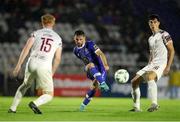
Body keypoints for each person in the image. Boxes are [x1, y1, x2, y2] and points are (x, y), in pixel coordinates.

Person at [8, 14, 62, 114]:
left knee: (25, 85)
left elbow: (26, 49)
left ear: (42, 23)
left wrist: (18, 65)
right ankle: (35, 103)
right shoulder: (57, 38)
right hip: (45, 65)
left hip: (32, 62)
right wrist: (52, 72)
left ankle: (13, 108)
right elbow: (57, 58)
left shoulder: (36, 33)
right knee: (49, 95)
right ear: (53, 23)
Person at [130, 14, 175, 112]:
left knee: (150, 77)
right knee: (134, 82)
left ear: (158, 23)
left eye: (155, 22)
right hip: (152, 64)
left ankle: (154, 104)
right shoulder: (150, 38)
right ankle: (136, 107)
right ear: (149, 24)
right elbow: (151, 53)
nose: (153, 24)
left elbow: (172, 50)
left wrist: (168, 67)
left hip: (161, 63)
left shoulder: (164, 34)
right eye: (151, 22)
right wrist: (149, 64)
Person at [73, 30, 109, 111]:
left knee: (94, 88)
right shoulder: (75, 50)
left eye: (80, 39)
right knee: (91, 65)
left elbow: (101, 54)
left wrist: (105, 64)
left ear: (84, 38)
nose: (78, 41)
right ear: (74, 39)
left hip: (101, 68)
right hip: (90, 68)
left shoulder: (90, 44)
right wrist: (87, 66)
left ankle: (82, 106)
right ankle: (102, 83)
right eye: (77, 39)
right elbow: (86, 61)